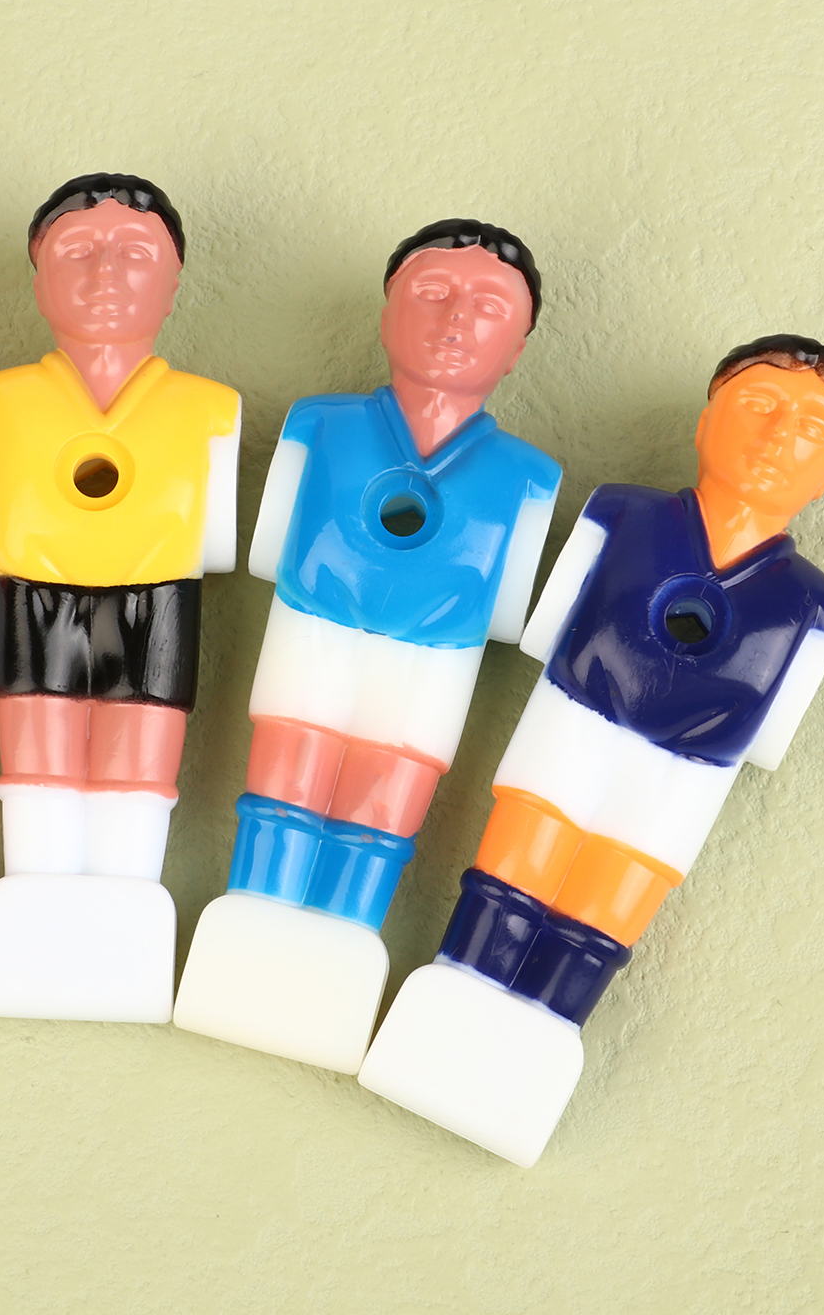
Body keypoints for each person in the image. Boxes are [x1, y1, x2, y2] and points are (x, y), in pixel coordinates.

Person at [359, 335, 824, 1165]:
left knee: (597, 921)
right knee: (508, 882)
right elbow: (544, 635)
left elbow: (766, 739)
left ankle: (538, 1039)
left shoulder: (815, 610)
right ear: (707, 418)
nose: (779, 436)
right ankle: (453, 997)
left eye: (814, 429)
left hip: (677, 786)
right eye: (759, 405)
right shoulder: (618, 517)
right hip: (570, 730)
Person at [174, 220, 561, 1071]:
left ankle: (333, 968)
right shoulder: (320, 426)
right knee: (281, 794)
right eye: (432, 293)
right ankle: (250, 943)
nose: (456, 318)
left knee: (380, 820)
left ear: (519, 347)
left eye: (488, 307)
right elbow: (270, 553)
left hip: (430, 671)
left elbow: (502, 618)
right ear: (387, 310)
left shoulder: (527, 478)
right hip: (312, 640)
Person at [0, 174, 240, 1021]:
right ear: (38, 278)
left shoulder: (208, 410)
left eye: (135, 254)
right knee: (36, 770)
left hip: (157, 609)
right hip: (31, 604)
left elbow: (215, 545)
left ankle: (120, 939)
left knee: (135, 776)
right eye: (78, 251)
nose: (106, 271)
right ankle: (37, 936)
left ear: (174, 281)